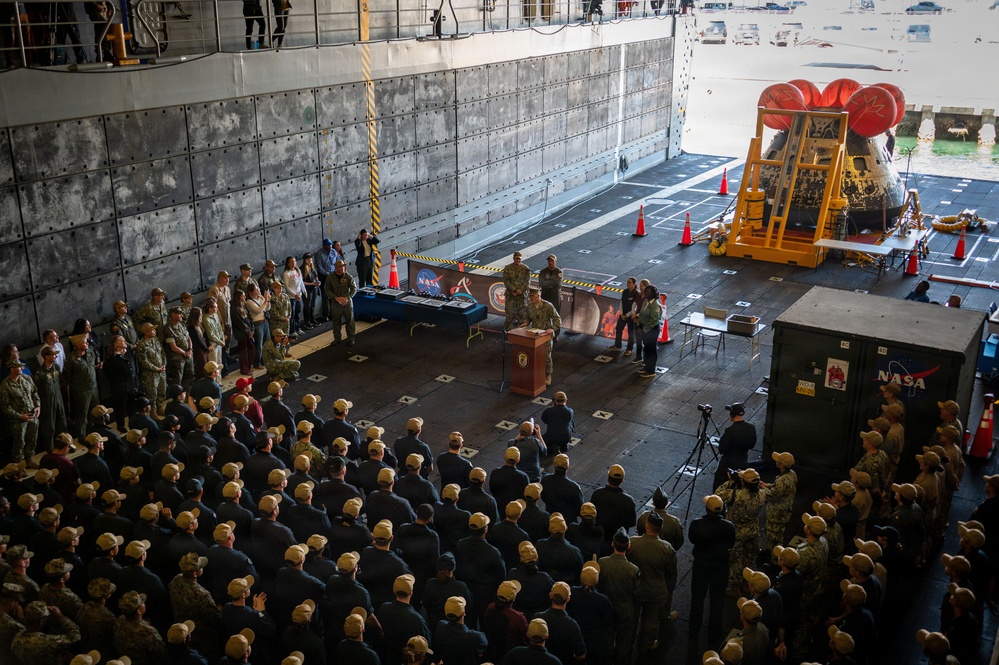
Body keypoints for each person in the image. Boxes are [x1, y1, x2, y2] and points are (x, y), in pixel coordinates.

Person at [688, 494, 735, 642]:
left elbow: (692, 539)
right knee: (717, 601)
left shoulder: (697, 524)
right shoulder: (729, 526)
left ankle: (693, 631)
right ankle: (714, 634)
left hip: (701, 565)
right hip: (720, 567)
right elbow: (731, 544)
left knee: (697, 599)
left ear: (707, 509)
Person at [0, 361, 41, 462]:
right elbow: (5, 406)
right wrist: (19, 416)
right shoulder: (5, 385)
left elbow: (34, 393)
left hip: (32, 416)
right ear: (12, 369)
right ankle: (19, 465)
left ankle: (29, 460)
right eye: (19, 367)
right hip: (18, 421)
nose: (22, 369)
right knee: (20, 443)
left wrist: (38, 406)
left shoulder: (26, 378)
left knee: (32, 439)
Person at [713, 403, 756, 491]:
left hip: (727, 466)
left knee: (718, 488)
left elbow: (722, 450)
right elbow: (752, 445)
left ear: (732, 415)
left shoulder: (730, 431)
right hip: (742, 463)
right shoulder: (751, 428)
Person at [524, 288, 561, 386]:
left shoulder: (548, 306)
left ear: (538, 295)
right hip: (535, 335)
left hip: (545, 335)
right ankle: (536, 374)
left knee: (546, 356)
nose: (530, 298)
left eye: (532, 296)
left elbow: (557, 319)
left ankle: (548, 375)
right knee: (535, 355)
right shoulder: (530, 307)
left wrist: (552, 329)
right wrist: (526, 323)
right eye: (529, 296)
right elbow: (528, 319)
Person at [760, 451, 797, 550]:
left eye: (778, 461)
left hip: (777, 514)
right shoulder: (792, 474)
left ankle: (774, 556)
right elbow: (778, 488)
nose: (775, 462)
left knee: (773, 538)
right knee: (778, 535)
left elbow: (771, 495)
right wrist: (767, 485)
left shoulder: (782, 481)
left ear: (782, 465)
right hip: (785, 510)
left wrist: (761, 488)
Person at [325, 259, 358, 345]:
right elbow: (327, 290)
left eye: (343, 266)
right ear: (336, 267)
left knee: (350, 321)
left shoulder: (348, 276)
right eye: (340, 266)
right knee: (336, 322)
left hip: (347, 302)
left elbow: (354, 288)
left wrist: (348, 297)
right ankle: (337, 338)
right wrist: (335, 297)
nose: (342, 268)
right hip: (336, 303)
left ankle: (351, 338)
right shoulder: (330, 278)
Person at [635, 284, 662, 378]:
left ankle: (651, 370)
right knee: (646, 349)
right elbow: (641, 314)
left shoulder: (655, 305)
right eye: (646, 292)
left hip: (652, 330)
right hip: (644, 329)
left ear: (653, 294)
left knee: (651, 350)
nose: (646, 293)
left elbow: (654, 320)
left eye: (649, 292)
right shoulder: (645, 301)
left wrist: (644, 329)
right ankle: (646, 367)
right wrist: (639, 325)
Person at [502, 252, 531, 330]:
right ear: (513, 258)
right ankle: (509, 332)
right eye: (516, 258)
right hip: (511, 295)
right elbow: (506, 281)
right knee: (509, 315)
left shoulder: (526, 269)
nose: (518, 260)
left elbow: (527, 282)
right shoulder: (507, 268)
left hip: (522, 296)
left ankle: (521, 333)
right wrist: (514, 290)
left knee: (522, 316)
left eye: (519, 259)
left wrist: (520, 290)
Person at [245, 282, 271, 370]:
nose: (258, 291)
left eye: (258, 289)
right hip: (257, 324)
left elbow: (267, 309)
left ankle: (266, 359)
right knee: (259, 344)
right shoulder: (249, 302)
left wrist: (267, 300)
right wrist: (265, 301)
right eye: (256, 290)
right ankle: (257, 362)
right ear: (251, 292)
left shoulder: (260, 298)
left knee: (267, 342)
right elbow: (258, 310)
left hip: (265, 321)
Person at [612, 277, 639, 357]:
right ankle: (617, 345)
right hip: (623, 314)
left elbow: (635, 307)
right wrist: (621, 313)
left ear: (634, 284)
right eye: (627, 282)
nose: (628, 284)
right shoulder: (625, 292)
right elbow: (621, 302)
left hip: (631, 316)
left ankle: (629, 349)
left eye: (630, 282)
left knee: (631, 332)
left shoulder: (636, 294)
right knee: (618, 328)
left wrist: (627, 315)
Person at [541, 392, 574, 456]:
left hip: (551, 438)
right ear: (566, 400)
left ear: (554, 401)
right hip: (566, 437)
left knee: (542, 441)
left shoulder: (549, 411)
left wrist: (552, 407)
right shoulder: (570, 411)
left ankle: (553, 447)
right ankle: (563, 445)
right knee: (571, 422)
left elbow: (544, 420)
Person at [300, 253, 320, 329]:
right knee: (307, 306)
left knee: (312, 305)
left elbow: (316, 276)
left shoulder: (312, 267)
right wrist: (312, 284)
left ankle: (312, 319)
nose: (309, 260)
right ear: (304, 260)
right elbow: (302, 282)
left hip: (314, 288)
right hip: (307, 289)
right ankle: (306, 322)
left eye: (310, 259)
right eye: (308, 259)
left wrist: (317, 281)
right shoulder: (302, 269)